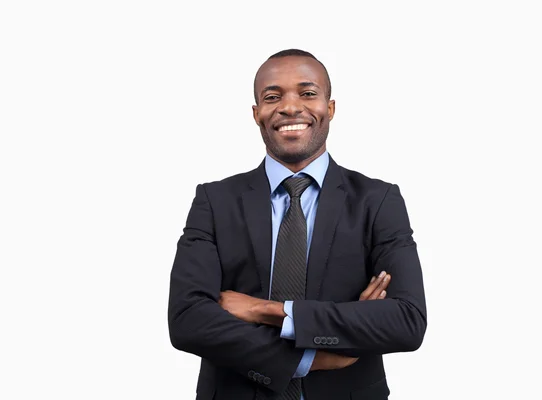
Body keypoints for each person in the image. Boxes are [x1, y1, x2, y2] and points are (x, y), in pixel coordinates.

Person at [168, 49, 427, 400]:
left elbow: (406, 322)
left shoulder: (378, 201)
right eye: (272, 97)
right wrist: (309, 358)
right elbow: (187, 320)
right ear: (257, 113)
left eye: (307, 93)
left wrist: (270, 311)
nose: (290, 107)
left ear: (329, 108)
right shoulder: (214, 201)